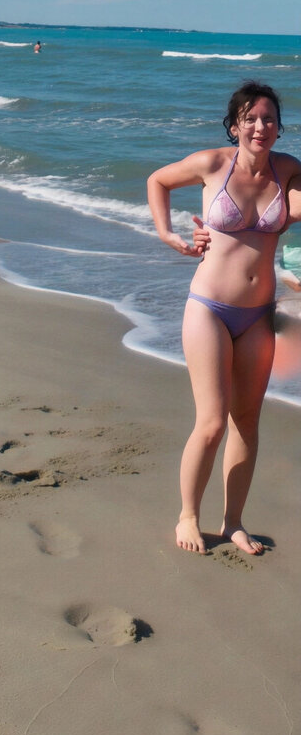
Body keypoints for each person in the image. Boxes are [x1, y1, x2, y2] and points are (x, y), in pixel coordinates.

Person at [147, 83, 301, 557]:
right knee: (212, 422)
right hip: (209, 308)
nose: (260, 127)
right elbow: (157, 181)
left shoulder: (289, 171)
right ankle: (188, 516)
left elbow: (298, 214)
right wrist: (169, 235)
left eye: (269, 118)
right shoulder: (212, 164)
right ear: (235, 126)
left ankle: (233, 522)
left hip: (259, 315)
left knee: (247, 423)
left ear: (279, 126)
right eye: (250, 118)